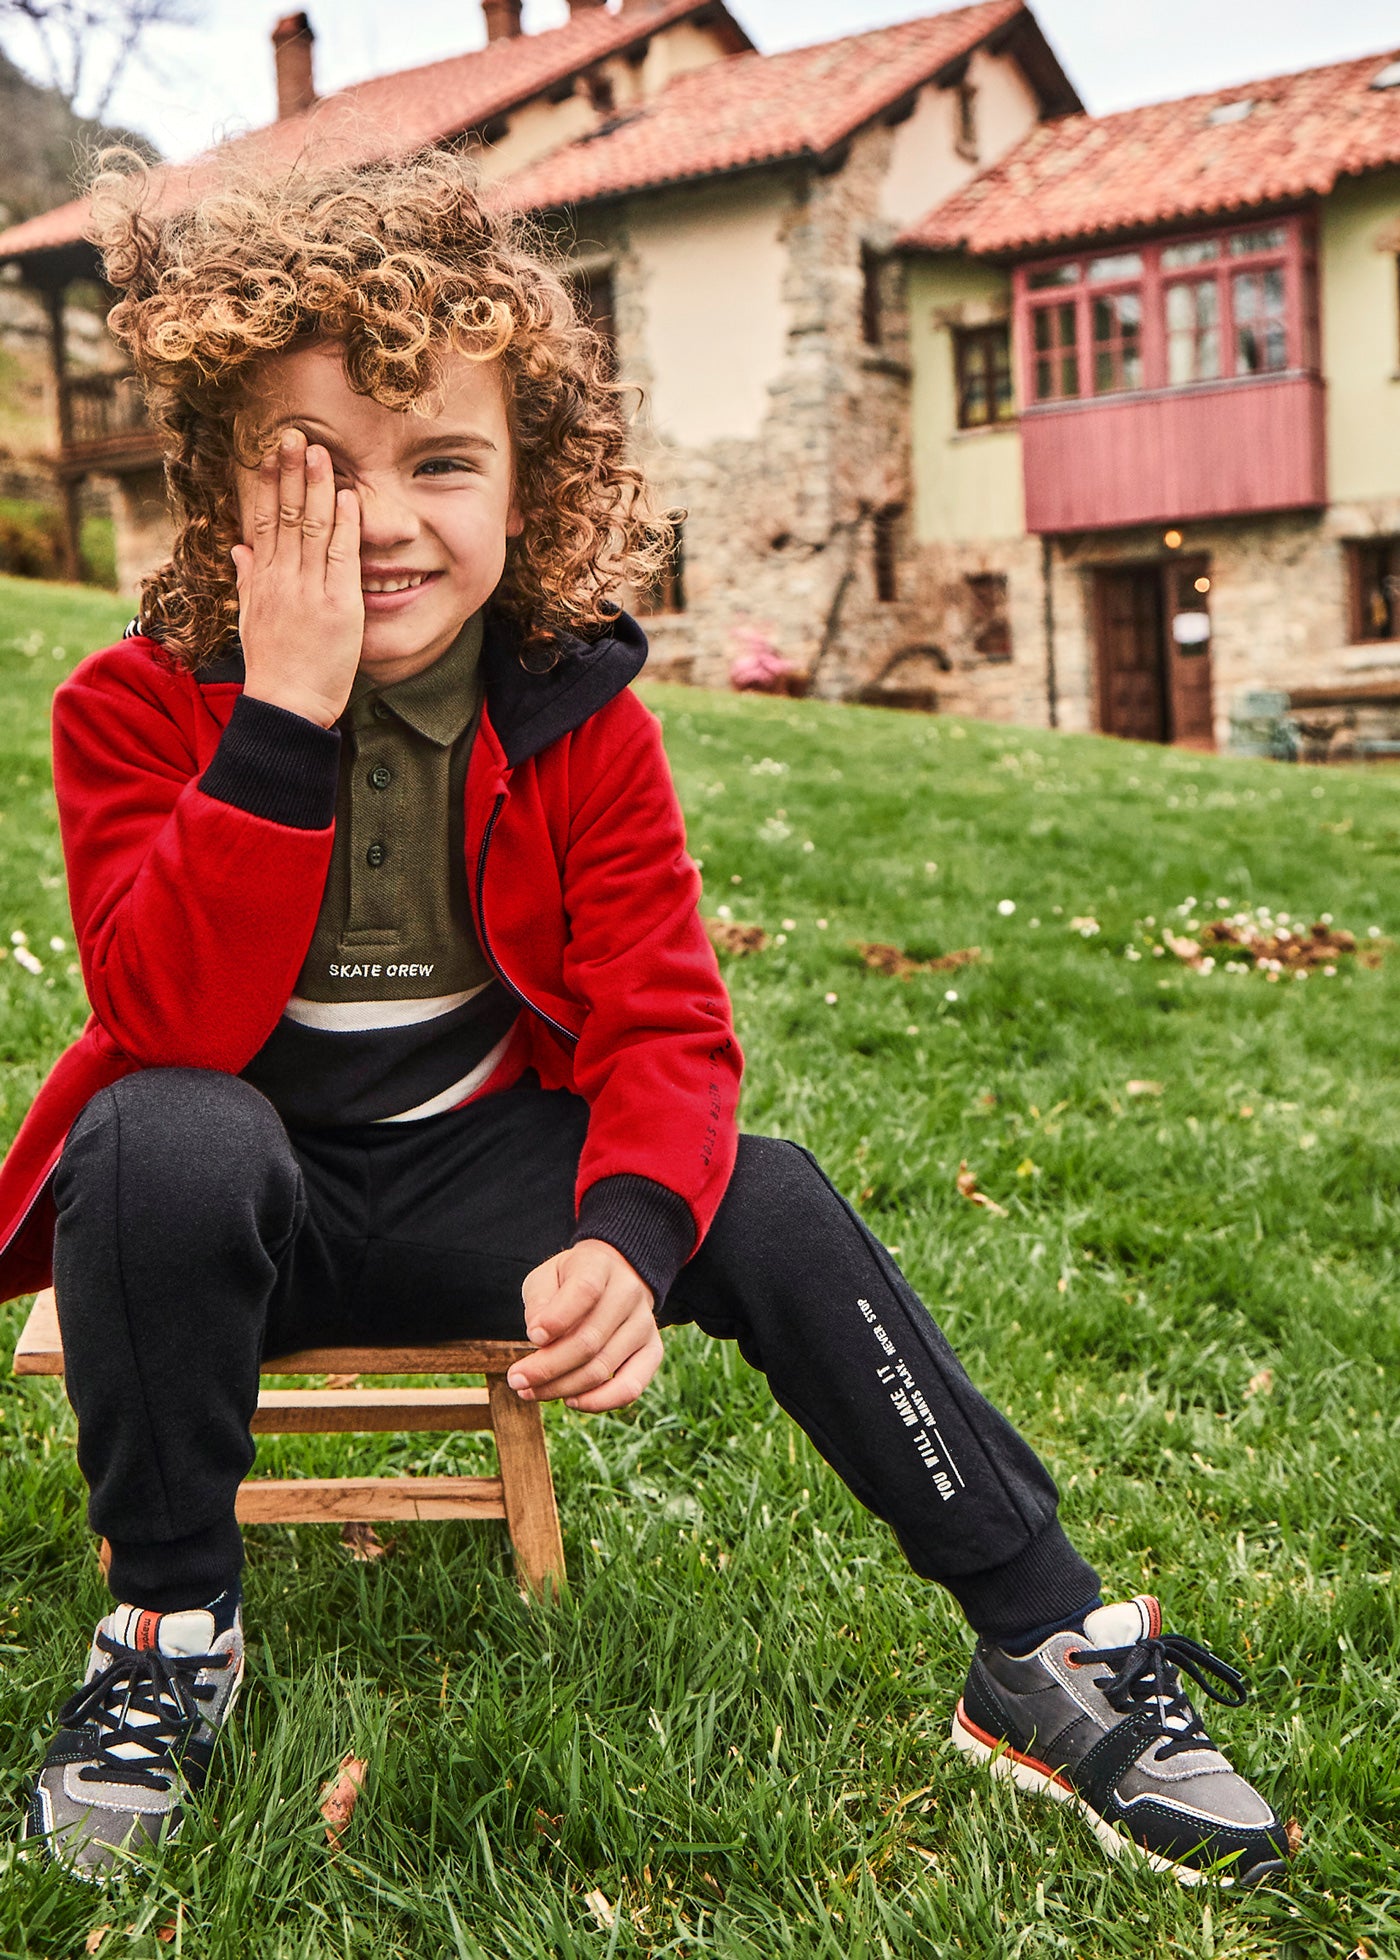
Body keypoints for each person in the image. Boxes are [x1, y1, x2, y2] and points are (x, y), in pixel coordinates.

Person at [1, 151, 1289, 1888]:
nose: (385, 524)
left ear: (531, 487)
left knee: (759, 1187)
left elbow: (666, 1024)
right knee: (155, 1128)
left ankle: (1044, 1642)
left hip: (473, 1192)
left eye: (444, 463)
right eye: (318, 473)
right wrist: (285, 717)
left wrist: (623, 1232)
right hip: (249, 1208)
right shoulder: (132, 714)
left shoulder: (580, 722)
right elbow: (169, 1017)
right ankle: (166, 1637)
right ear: (228, 493)